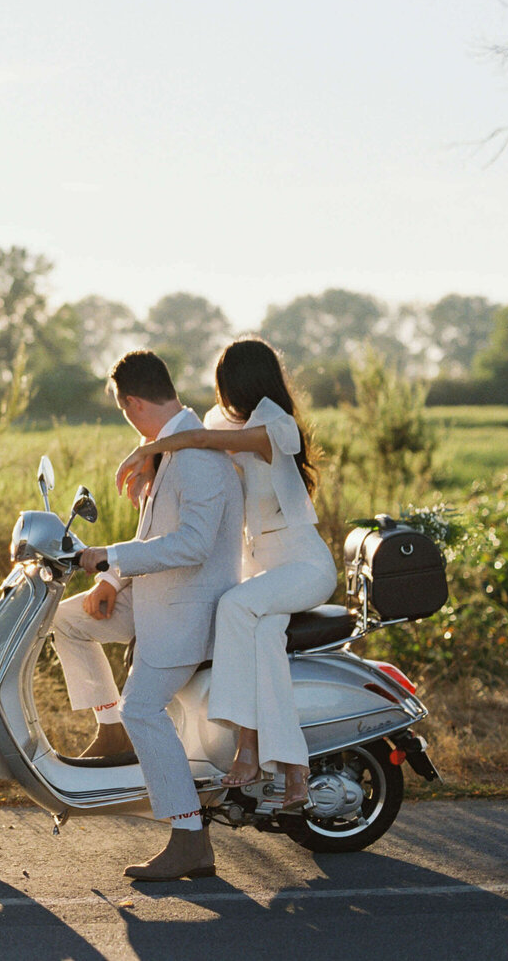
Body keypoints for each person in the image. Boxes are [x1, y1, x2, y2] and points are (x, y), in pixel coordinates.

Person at [115, 336, 335, 810]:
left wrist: (144, 452)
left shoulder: (277, 427)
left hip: (303, 566)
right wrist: (152, 461)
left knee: (232, 605)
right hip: (263, 574)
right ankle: (295, 772)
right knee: (263, 645)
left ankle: (249, 748)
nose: (220, 396)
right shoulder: (227, 421)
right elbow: (191, 436)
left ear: (240, 382)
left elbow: (197, 438)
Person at [52, 350, 243, 882]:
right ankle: (109, 729)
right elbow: (151, 538)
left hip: (188, 609)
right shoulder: (165, 449)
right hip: (154, 597)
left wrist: (111, 557)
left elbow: (194, 545)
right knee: (65, 621)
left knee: (144, 709)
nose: (127, 419)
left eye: (123, 410)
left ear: (132, 401)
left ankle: (189, 839)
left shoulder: (197, 454)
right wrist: (111, 581)